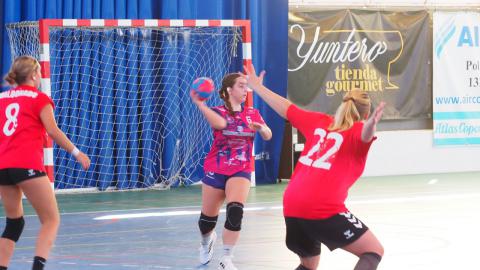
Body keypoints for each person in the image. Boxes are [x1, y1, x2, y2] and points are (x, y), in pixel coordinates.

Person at [243, 65, 385, 270]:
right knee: (373, 250)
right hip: (322, 207)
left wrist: (258, 87)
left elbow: (286, 108)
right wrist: (371, 124)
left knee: (309, 263)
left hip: (292, 203)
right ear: (365, 114)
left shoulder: (319, 121)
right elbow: (365, 135)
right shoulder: (357, 130)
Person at [0, 56, 91, 270]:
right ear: (33, 75)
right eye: (39, 72)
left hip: (3, 166)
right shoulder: (39, 98)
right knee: (51, 220)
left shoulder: (3, 99)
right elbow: (52, 130)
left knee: (14, 222)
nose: (40, 76)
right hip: (26, 164)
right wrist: (77, 153)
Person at [190, 73, 272, 270]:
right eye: (241, 86)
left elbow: (268, 135)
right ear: (229, 90)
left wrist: (261, 128)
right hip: (216, 167)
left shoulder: (252, 113)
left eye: (246, 86)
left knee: (235, 211)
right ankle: (206, 241)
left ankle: (227, 258)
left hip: (241, 168)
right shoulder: (216, 110)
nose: (246, 90)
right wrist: (200, 104)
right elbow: (220, 124)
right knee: (206, 221)